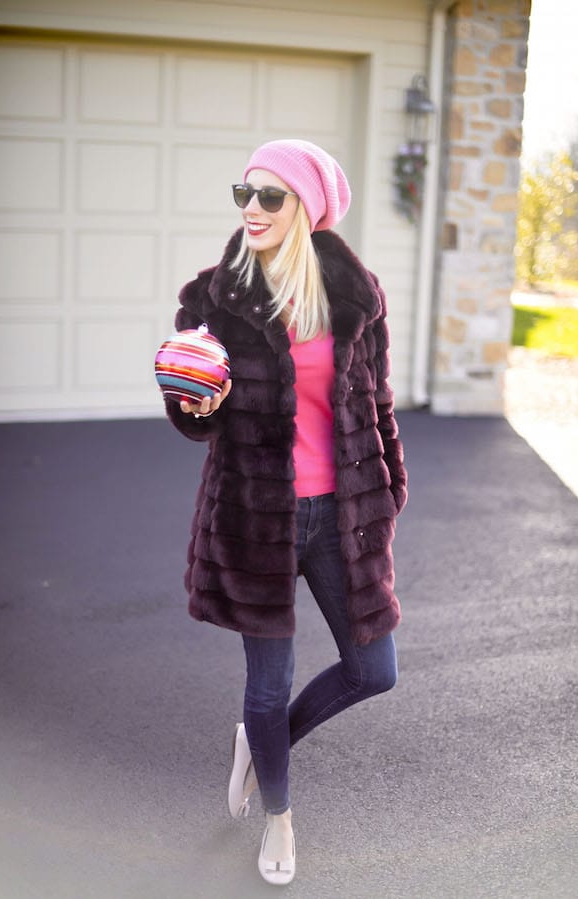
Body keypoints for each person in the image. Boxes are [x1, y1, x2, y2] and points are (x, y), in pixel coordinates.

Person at [163, 139, 407, 887]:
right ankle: (279, 817)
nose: (253, 209)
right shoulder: (217, 295)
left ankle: (264, 740)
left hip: (341, 515)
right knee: (267, 683)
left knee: (375, 669)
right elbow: (191, 409)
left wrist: (391, 483)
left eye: (271, 196)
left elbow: (379, 398)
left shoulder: (354, 293)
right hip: (255, 516)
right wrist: (197, 405)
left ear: (306, 207)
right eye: (246, 192)